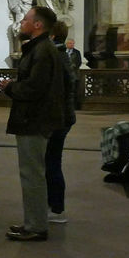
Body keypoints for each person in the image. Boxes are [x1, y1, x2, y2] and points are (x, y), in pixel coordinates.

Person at [1, 6, 65, 242]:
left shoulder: (43, 51)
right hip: (32, 119)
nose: (22, 23)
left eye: (26, 19)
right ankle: (32, 221)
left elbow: (34, 89)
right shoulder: (40, 49)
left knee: (32, 175)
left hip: (34, 120)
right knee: (31, 173)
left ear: (38, 25)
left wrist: (10, 87)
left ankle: (37, 226)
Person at [45, 20, 77, 223]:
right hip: (63, 116)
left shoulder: (55, 56)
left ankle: (56, 210)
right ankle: (54, 206)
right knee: (51, 162)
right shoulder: (60, 55)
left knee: (52, 163)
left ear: (52, 36)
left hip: (59, 118)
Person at [66, 38, 83, 109]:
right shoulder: (64, 51)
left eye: (72, 43)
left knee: (75, 90)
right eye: (70, 43)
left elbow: (78, 62)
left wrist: (72, 66)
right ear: (66, 44)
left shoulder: (77, 52)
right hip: (66, 74)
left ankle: (75, 106)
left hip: (74, 74)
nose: (71, 44)